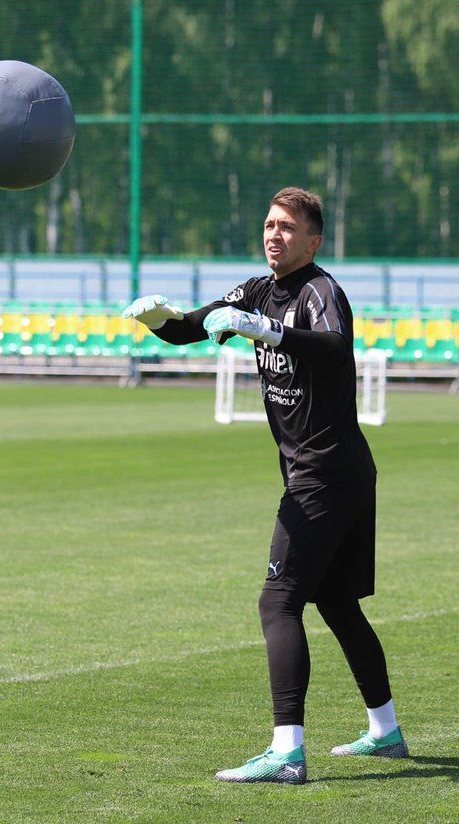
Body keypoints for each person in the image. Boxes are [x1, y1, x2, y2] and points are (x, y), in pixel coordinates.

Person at [123, 187, 407, 785]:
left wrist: (267, 332)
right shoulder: (255, 289)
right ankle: (385, 731)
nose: (274, 234)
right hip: (333, 471)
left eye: (287, 227)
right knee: (335, 603)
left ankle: (287, 752)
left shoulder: (322, 292)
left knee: (278, 601)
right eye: (269, 224)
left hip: (325, 473)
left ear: (314, 240)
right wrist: (158, 321)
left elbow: (334, 350)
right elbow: (188, 329)